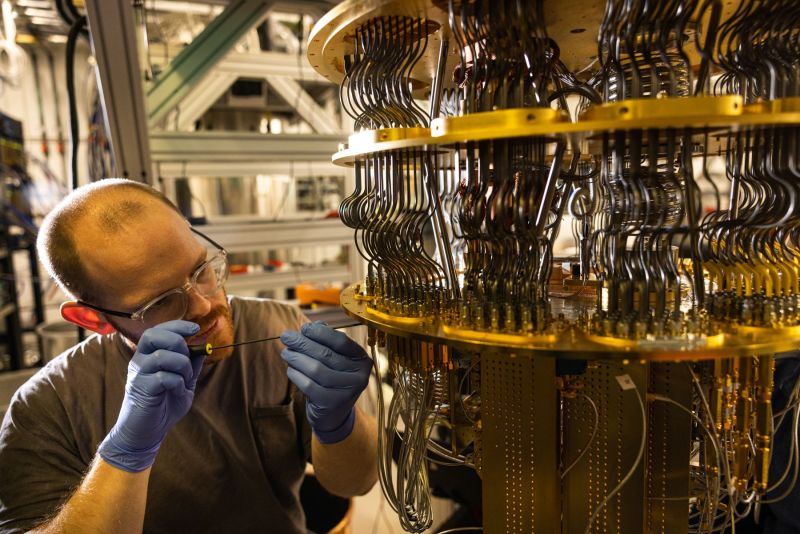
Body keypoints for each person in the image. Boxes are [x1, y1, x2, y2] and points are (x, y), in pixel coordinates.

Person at [0, 179, 378, 533]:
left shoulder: (275, 327)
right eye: (161, 301)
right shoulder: (46, 408)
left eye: (201, 270)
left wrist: (339, 423)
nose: (204, 305)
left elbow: (357, 482)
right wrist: (126, 453)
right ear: (94, 319)